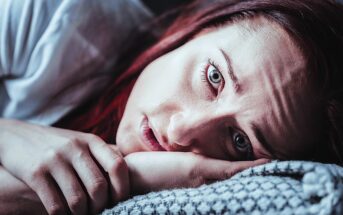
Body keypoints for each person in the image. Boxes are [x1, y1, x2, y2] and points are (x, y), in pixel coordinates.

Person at [0, 0, 342, 214]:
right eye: (213, 77)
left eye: (239, 142)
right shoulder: (51, 15)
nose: (180, 130)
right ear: (197, 29)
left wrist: (125, 178)